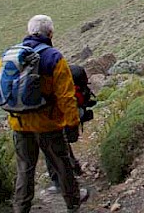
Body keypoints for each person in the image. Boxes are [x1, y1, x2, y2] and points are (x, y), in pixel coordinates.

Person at [0, 14, 89, 213]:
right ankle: (73, 203)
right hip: (48, 124)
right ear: (50, 33)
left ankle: (21, 207)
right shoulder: (54, 57)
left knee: (24, 169)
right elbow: (66, 97)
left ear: (29, 31)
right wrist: (72, 124)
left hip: (20, 124)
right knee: (61, 165)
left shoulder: (11, 54)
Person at [45, 64, 97, 193]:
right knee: (63, 145)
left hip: (62, 118)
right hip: (74, 113)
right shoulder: (70, 81)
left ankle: (64, 184)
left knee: (54, 147)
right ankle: (74, 169)